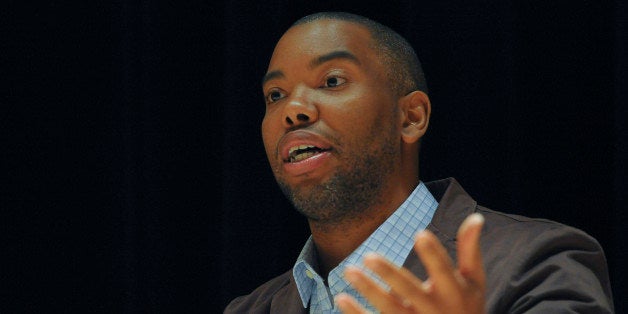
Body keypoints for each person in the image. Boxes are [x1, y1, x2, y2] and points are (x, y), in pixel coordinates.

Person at [224, 11, 614, 313]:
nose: (293, 110)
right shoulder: (250, 308)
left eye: (331, 81)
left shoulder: (540, 261)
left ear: (410, 117)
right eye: (275, 95)